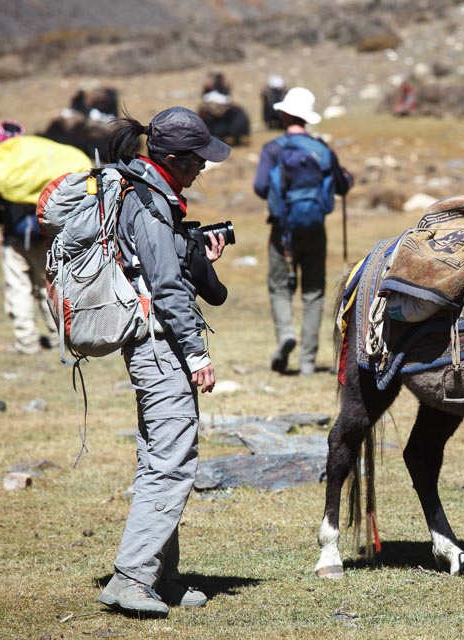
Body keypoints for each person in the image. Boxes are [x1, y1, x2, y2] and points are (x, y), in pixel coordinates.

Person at [97, 106, 231, 616]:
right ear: (172, 158)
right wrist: (198, 351)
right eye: (197, 159)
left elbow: (162, 269)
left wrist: (200, 257)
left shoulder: (148, 194)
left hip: (154, 342)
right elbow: (167, 287)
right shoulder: (150, 204)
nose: (203, 167)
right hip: (160, 346)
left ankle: (161, 577)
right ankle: (130, 579)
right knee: (171, 462)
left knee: (160, 456)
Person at [252, 87, 353, 375]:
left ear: (284, 114)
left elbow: (260, 187)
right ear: (306, 117)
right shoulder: (322, 149)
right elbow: (342, 186)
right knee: (313, 291)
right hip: (315, 230)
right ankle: (308, 361)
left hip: (282, 230)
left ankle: (286, 334)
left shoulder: (273, 149)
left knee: (280, 288)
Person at [0, 120, 60, 355]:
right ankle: (59, 339)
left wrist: (1, 222)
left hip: (14, 236)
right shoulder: (41, 162)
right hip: (44, 236)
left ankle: (27, 343)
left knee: (19, 289)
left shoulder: (0, 166)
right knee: (48, 287)